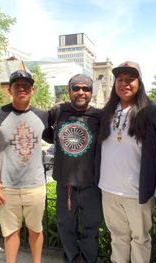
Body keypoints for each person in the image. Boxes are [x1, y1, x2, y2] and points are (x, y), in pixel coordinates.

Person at [97, 61, 156, 263]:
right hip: (108, 189)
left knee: (140, 239)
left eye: (130, 79)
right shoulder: (106, 113)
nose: (124, 84)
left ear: (139, 83)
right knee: (117, 237)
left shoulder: (152, 112)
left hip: (136, 192)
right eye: (120, 80)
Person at [0, 70, 48, 263]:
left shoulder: (42, 116)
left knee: (36, 230)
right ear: (9, 89)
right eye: (17, 85)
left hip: (35, 186)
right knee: (10, 233)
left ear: (32, 90)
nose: (22, 88)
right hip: (6, 188)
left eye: (26, 85)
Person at [43, 74, 102, 263]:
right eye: (76, 88)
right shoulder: (58, 111)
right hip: (65, 182)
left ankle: (88, 260)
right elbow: (45, 130)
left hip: (91, 183)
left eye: (86, 89)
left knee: (90, 227)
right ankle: (71, 258)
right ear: (69, 91)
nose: (81, 92)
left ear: (91, 92)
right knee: (64, 225)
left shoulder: (98, 115)